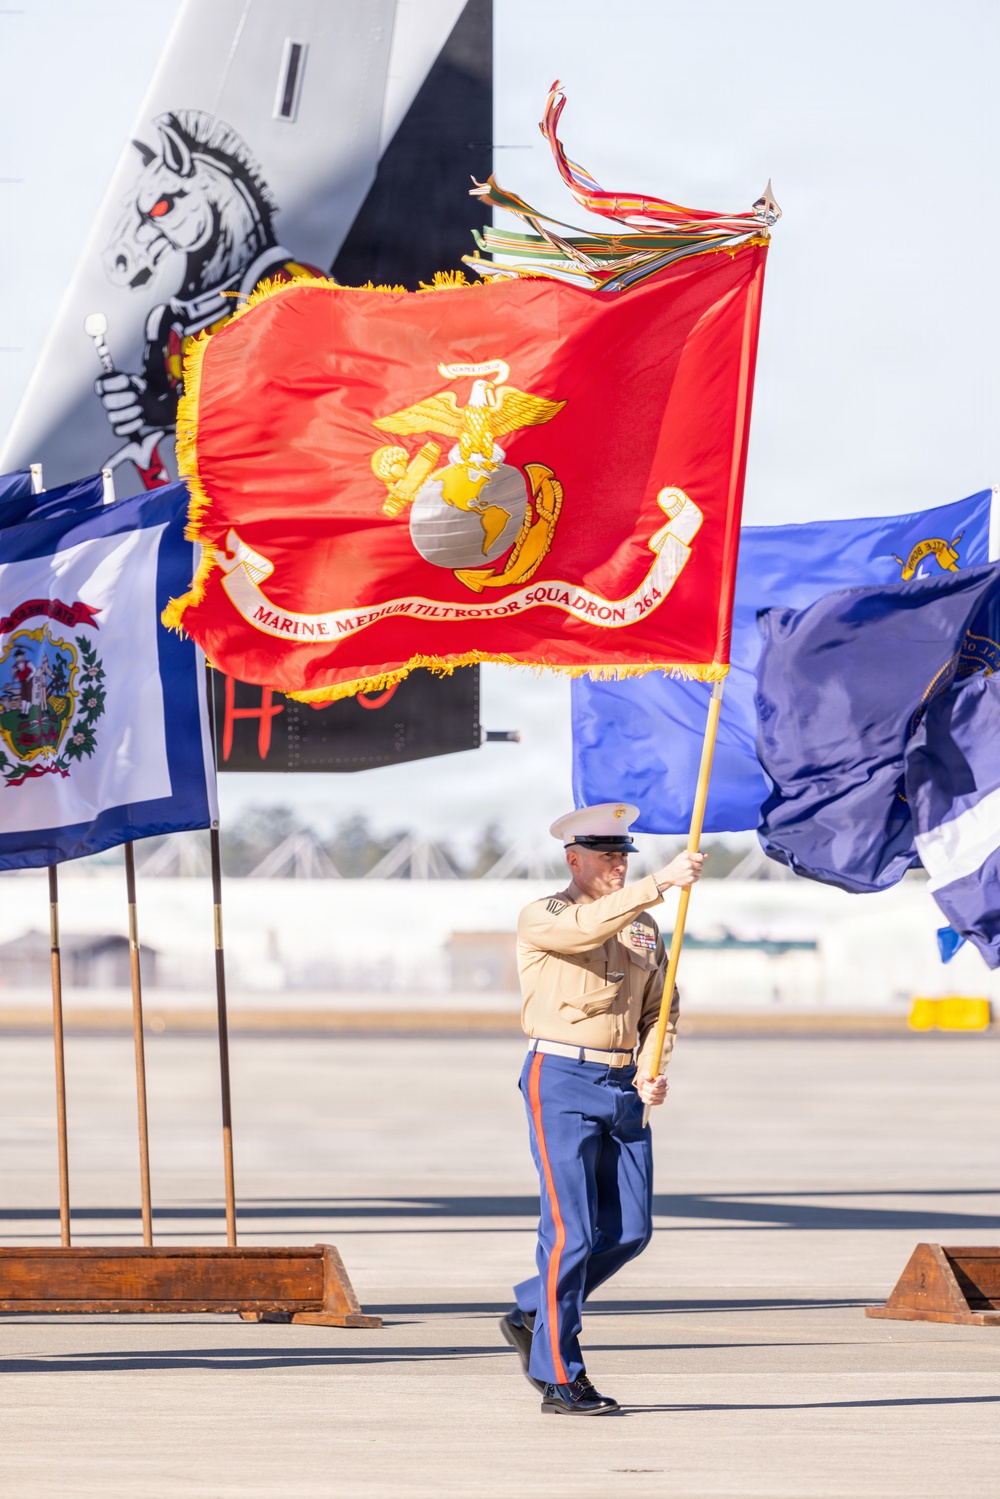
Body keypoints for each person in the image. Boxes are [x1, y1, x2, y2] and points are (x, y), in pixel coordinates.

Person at [500, 802, 703, 1416]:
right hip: (559, 1077)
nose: (618, 864)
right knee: (571, 1233)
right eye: (607, 855)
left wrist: (652, 1064)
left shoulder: (643, 929)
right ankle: (561, 1376)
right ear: (574, 859)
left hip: (621, 1086)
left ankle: (534, 1307)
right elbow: (583, 932)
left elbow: (660, 1009)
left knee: (631, 1230)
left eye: (624, 855)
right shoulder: (546, 915)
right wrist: (660, 882)